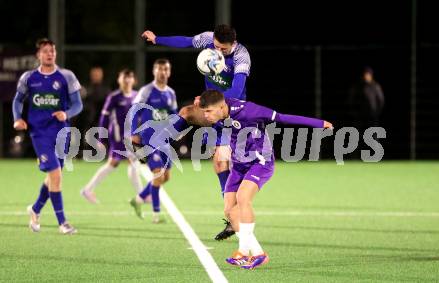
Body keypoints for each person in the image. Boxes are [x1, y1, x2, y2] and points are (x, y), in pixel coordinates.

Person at [197, 89, 333, 269]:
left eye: (208, 112)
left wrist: (319, 123)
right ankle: (259, 253)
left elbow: (284, 118)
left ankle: (243, 253)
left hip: (260, 162)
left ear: (222, 107)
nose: (205, 116)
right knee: (230, 211)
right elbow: (215, 97)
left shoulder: (251, 111)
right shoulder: (222, 105)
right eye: (204, 112)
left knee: (243, 198)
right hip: (238, 166)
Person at [142, 24, 250, 238]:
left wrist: (209, 101)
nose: (219, 52)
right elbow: (186, 40)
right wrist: (157, 38)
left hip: (231, 113)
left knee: (220, 163)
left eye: (224, 50)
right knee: (186, 113)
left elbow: (236, 91)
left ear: (233, 44)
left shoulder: (241, 56)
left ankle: (233, 220)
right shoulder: (208, 40)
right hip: (210, 108)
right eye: (217, 47)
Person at [12, 38, 83, 234]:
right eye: (45, 51)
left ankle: (35, 210)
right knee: (56, 175)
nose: (49, 54)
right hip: (39, 133)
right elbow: (18, 101)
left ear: (55, 54)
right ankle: (63, 222)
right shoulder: (29, 77)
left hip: (61, 132)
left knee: (54, 175)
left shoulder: (66, 76)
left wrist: (66, 114)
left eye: (52, 50)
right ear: (38, 55)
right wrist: (18, 118)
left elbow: (78, 104)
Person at [80, 69, 144, 204]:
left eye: (130, 77)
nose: (127, 80)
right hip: (117, 136)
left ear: (134, 80)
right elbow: (104, 117)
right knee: (131, 161)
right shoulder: (114, 97)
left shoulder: (136, 96)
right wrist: (102, 139)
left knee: (116, 163)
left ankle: (87, 189)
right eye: (124, 77)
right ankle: (142, 195)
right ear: (119, 80)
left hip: (130, 136)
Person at [129, 58, 178, 224]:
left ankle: (139, 198)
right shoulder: (147, 90)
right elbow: (135, 110)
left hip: (164, 140)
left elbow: (174, 114)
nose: (162, 72)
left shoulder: (171, 93)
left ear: (169, 72)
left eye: (165, 69)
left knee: (167, 177)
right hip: (149, 139)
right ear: (154, 71)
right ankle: (156, 214)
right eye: (159, 69)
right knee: (158, 176)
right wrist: (134, 132)